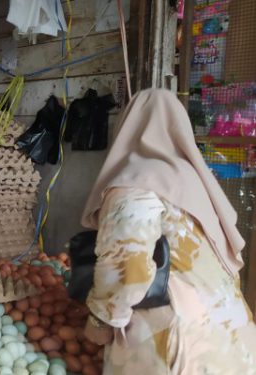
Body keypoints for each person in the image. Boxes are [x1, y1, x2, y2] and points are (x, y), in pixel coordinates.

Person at [80, 89, 256, 374]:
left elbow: (127, 268)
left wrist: (99, 323)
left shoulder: (135, 185)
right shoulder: (192, 180)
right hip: (230, 334)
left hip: (180, 342)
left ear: (127, 127)